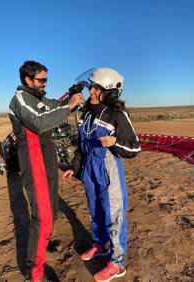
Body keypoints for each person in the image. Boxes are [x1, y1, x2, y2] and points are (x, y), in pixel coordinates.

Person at [63, 67, 141, 282]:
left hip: (109, 170)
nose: (91, 92)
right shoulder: (86, 115)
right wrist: (75, 167)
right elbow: (81, 146)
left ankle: (117, 263)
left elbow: (134, 148)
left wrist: (116, 142)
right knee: (95, 209)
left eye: (96, 88)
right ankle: (100, 244)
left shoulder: (117, 115)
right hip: (89, 169)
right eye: (91, 87)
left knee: (115, 215)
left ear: (108, 92)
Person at [9, 60, 84, 282]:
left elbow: (54, 105)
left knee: (51, 207)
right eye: (41, 80)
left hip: (47, 152)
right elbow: (40, 123)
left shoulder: (39, 98)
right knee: (41, 215)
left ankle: (45, 242)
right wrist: (68, 106)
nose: (44, 83)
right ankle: (35, 271)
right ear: (27, 80)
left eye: (46, 79)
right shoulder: (20, 99)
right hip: (33, 155)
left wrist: (71, 96)